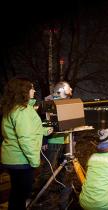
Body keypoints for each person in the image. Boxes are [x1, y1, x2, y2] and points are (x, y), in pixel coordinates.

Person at [0, 77, 52, 210]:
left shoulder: (13, 108)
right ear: (23, 90)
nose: (34, 91)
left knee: (17, 193)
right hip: (21, 160)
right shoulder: (23, 111)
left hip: (13, 158)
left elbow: (26, 130)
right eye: (31, 88)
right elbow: (25, 138)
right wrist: (35, 161)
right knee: (21, 194)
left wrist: (44, 131)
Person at [36, 81, 73, 207]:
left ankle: (62, 195)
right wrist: (43, 141)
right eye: (67, 94)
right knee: (48, 169)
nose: (68, 96)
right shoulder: (48, 102)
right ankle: (40, 197)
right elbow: (42, 123)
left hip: (66, 139)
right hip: (53, 140)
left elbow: (70, 120)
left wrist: (73, 139)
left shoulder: (66, 102)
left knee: (65, 169)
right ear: (60, 91)